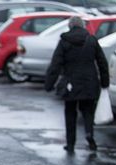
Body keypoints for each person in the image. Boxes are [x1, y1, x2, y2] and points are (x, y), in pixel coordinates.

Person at [45, 16, 109, 153]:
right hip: (90, 82)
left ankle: (70, 143)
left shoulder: (64, 42)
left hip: (70, 83)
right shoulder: (91, 40)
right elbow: (102, 62)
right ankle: (89, 133)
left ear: (70, 26)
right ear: (83, 26)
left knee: (70, 113)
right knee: (88, 111)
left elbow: (55, 64)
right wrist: (105, 82)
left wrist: (49, 84)